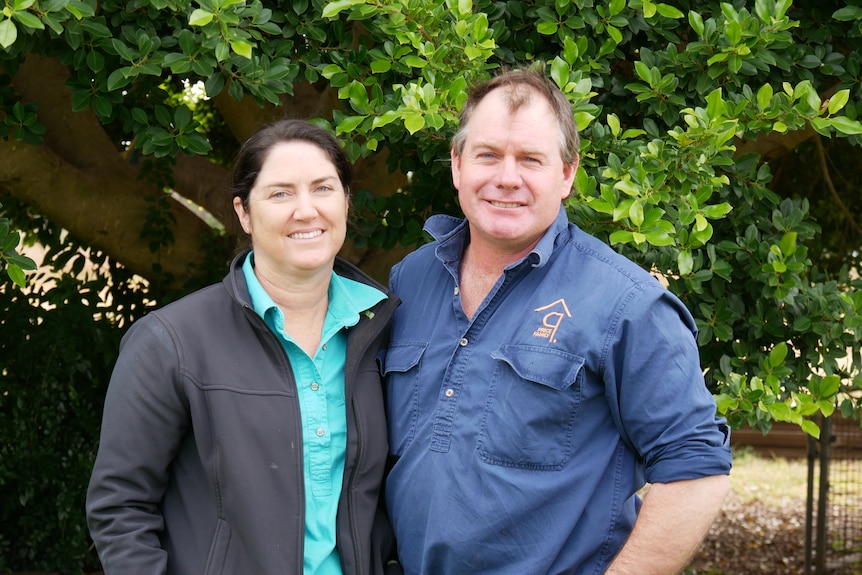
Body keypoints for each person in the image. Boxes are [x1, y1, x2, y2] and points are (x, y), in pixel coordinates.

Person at [380, 66, 732, 574]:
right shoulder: (409, 281)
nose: (506, 177)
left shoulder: (626, 304)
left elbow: (696, 470)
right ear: (456, 166)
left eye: (530, 159)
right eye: (487, 155)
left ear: (566, 174)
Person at [86, 119, 402, 575]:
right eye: (280, 193)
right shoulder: (171, 342)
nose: (307, 210)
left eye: (323, 188)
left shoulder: (384, 333)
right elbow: (120, 508)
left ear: (346, 201)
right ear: (244, 213)